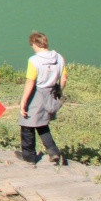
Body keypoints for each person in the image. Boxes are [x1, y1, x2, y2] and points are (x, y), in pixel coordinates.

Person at [19, 32, 67, 165]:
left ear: (35, 44)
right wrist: (59, 90)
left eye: (32, 45)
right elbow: (64, 78)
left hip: (37, 93)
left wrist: (23, 102)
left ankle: (29, 156)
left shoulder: (34, 60)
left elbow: (30, 82)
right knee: (42, 122)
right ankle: (53, 151)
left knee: (27, 124)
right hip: (51, 92)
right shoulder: (59, 57)